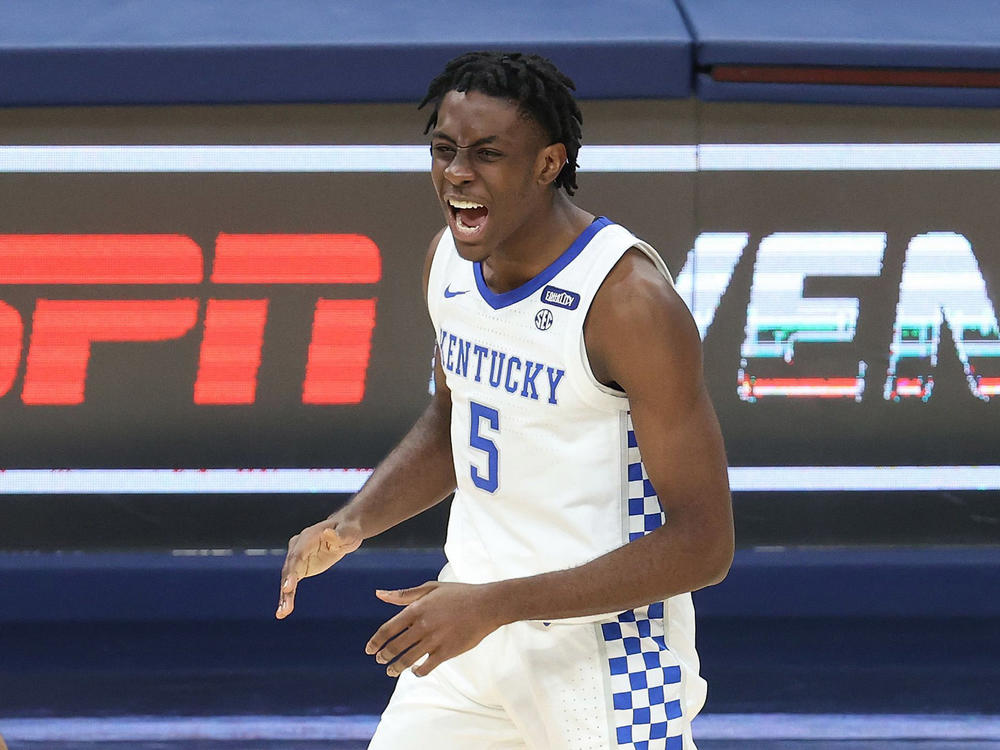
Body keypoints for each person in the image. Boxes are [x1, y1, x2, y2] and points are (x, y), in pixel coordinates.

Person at [276, 51, 733, 750]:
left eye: (487, 154)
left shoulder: (628, 303)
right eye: (445, 150)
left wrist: (495, 605)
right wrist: (355, 522)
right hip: (467, 628)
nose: (458, 173)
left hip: (606, 655)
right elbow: (452, 420)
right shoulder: (448, 266)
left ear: (549, 164)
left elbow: (704, 545)